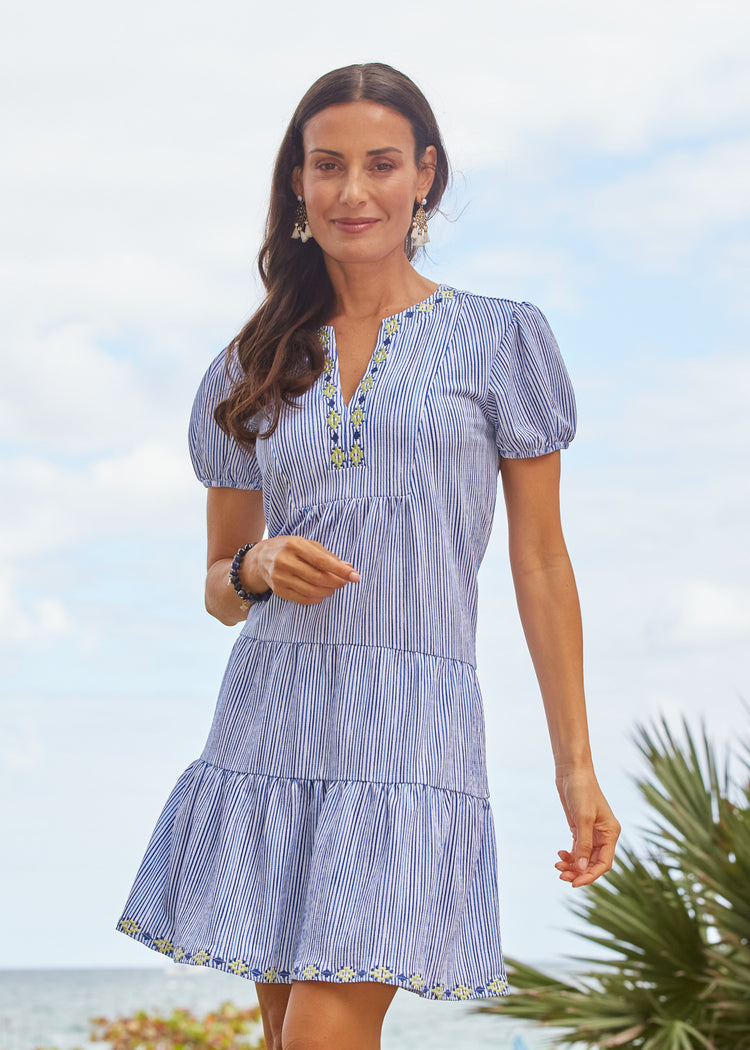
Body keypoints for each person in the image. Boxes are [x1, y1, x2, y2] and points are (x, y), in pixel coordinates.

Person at [116, 62, 620, 1050]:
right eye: (329, 167)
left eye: (382, 164)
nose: (355, 192)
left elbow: (541, 563)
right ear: (297, 185)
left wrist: (576, 769)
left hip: (412, 740)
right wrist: (259, 568)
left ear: (425, 174)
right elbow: (220, 587)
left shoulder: (499, 339)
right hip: (270, 733)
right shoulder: (249, 363)